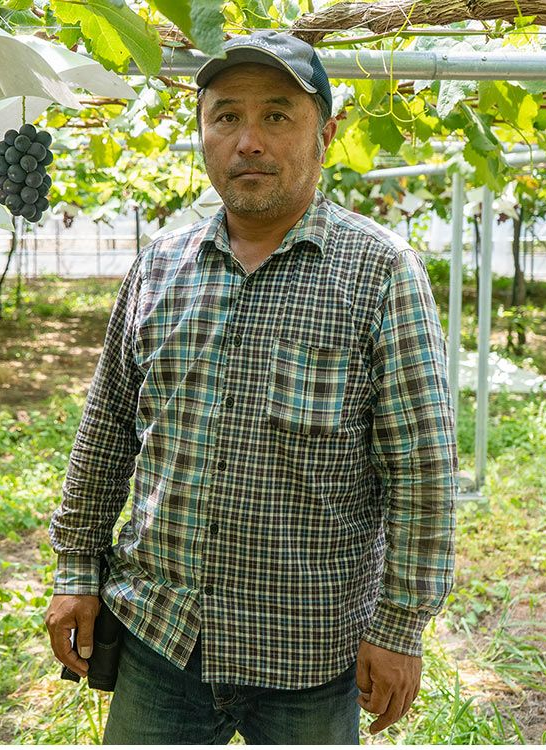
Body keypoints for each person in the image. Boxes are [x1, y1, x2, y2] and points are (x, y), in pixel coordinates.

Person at [44, 30, 457, 745]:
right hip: (161, 636)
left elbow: (422, 472)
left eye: (277, 115)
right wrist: (76, 568)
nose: (249, 141)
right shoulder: (160, 267)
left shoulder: (382, 273)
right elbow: (106, 431)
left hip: (309, 650)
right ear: (202, 132)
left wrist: (399, 626)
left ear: (326, 133)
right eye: (227, 116)